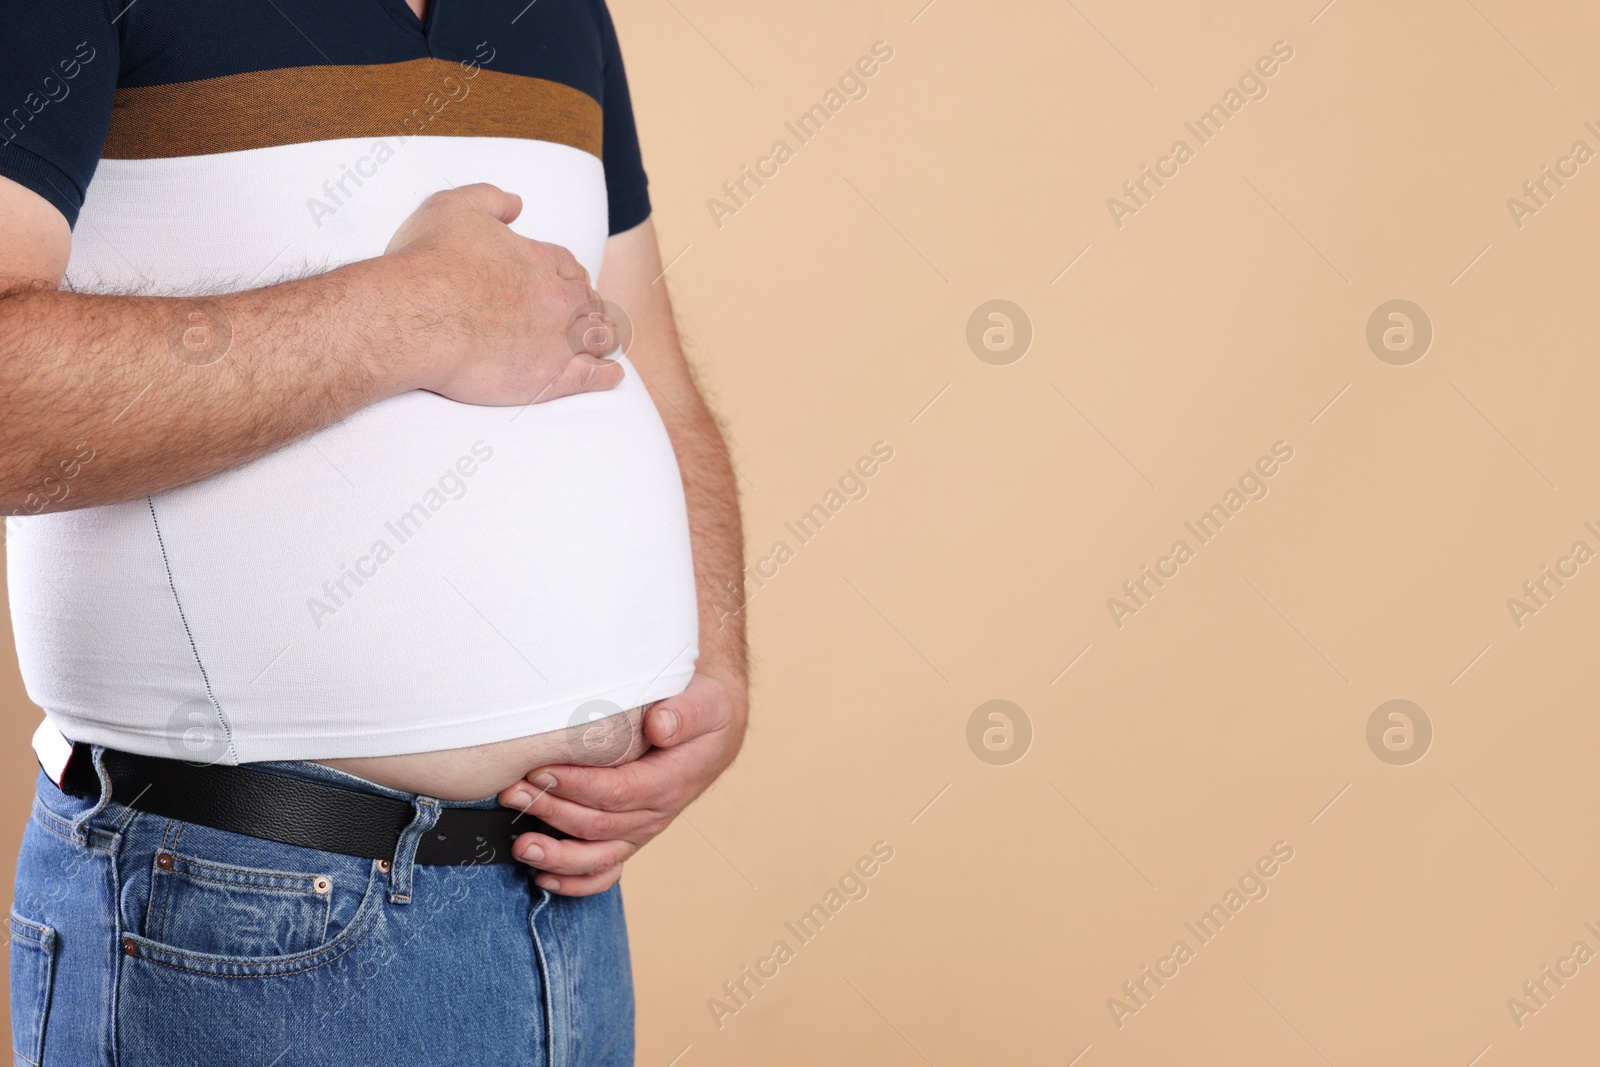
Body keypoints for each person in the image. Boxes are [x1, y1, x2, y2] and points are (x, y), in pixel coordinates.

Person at [0, 0, 748, 1063]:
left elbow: (644, 353)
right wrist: (417, 313)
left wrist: (710, 661)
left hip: (560, 909)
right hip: (244, 907)